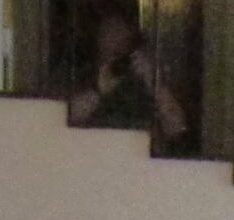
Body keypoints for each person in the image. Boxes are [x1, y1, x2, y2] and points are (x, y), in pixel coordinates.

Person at [66, 11, 191, 145]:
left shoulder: (143, 81)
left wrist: (155, 84)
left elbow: (177, 128)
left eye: (123, 33)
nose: (117, 40)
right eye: (111, 31)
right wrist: (98, 90)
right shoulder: (77, 76)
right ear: (98, 37)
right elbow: (63, 119)